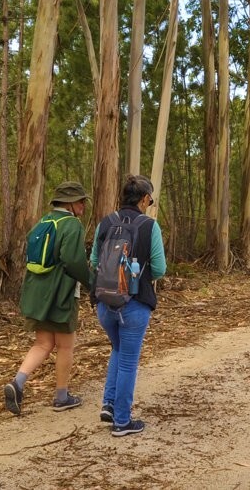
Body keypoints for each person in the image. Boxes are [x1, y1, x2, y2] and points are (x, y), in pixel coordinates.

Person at [4, 181, 91, 416]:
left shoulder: (42, 222)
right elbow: (73, 261)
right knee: (65, 345)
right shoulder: (72, 225)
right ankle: (62, 397)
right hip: (61, 293)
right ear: (70, 203)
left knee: (42, 343)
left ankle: (17, 383)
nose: (83, 206)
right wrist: (92, 283)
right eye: (81, 201)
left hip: (37, 293)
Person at [91, 174, 167, 437]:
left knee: (117, 349)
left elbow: (94, 261)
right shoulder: (149, 226)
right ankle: (122, 421)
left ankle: (109, 404)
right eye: (150, 200)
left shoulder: (105, 222)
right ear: (144, 199)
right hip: (134, 304)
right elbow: (159, 268)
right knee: (128, 362)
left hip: (104, 303)